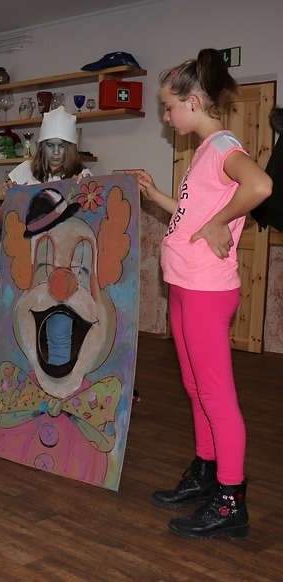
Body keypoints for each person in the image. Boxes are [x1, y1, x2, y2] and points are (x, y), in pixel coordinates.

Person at [130, 49, 271, 540]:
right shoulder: (205, 150)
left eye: (169, 107)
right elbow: (193, 217)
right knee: (195, 389)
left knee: (216, 395)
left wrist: (219, 222)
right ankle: (207, 471)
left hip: (207, 290)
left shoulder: (224, 145)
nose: (166, 117)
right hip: (185, 284)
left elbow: (260, 185)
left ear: (192, 102)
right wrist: (158, 197)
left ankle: (231, 499)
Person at [0, 106, 91, 346]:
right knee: (19, 332)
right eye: (50, 145)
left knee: (58, 333)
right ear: (42, 146)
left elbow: (87, 225)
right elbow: (0, 224)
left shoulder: (82, 174)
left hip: (60, 260)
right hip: (23, 258)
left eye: (62, 146)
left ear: (70, 148)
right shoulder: (24, 171)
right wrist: (9, 200)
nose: (56, 152)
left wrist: (84, 191)